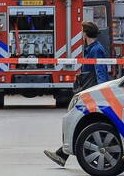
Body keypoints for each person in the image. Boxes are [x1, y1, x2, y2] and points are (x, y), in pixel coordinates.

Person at [43, 21, 111, 167]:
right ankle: (62, 154)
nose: (81, 34)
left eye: (82, 31)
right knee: (78, 119)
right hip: (89, 90)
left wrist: (101, 92)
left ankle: (62, 154)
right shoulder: (92, 48)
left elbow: (100, 72)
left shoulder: (96, 50)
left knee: (77, 118)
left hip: (91, 91)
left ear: (85, 33)